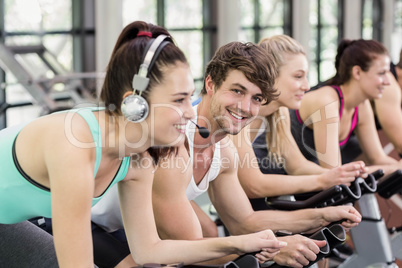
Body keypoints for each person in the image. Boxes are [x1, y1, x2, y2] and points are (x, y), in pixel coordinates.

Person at [0, 21, 286, 267]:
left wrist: (243, 244)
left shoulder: (139, 160)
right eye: (178, 100)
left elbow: (149, 248)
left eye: (189, 97)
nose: (190, 112)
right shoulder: (75, 145)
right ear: (134, 102)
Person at [91, 40, 362, 268]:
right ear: (211, 84)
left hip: (123, 228)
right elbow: (190, 245)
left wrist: (321, 216)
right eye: (237, 91)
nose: (245, 106)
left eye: (256, 98)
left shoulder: (225, 152)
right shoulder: (172, 143)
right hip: (84, 223)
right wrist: (275, 247)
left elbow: (245, 221)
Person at [227, 35, 368, 212]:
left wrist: (340, 175)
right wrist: (322, 180)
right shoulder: (241, 113)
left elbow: (296, 165)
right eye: (298, 76)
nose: (307, 86)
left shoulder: (279, 112)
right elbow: (254, 185)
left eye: (306, 77)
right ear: (270, 75)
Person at [290, 39, 402, 173]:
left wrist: (396, 168)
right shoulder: (327, 102)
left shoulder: (362, 105)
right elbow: (335, 174)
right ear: (357, 73)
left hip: (304, 176)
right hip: (271, 171)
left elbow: (378, 159)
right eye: (381, 73)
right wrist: (395, 168)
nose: (388, 81)